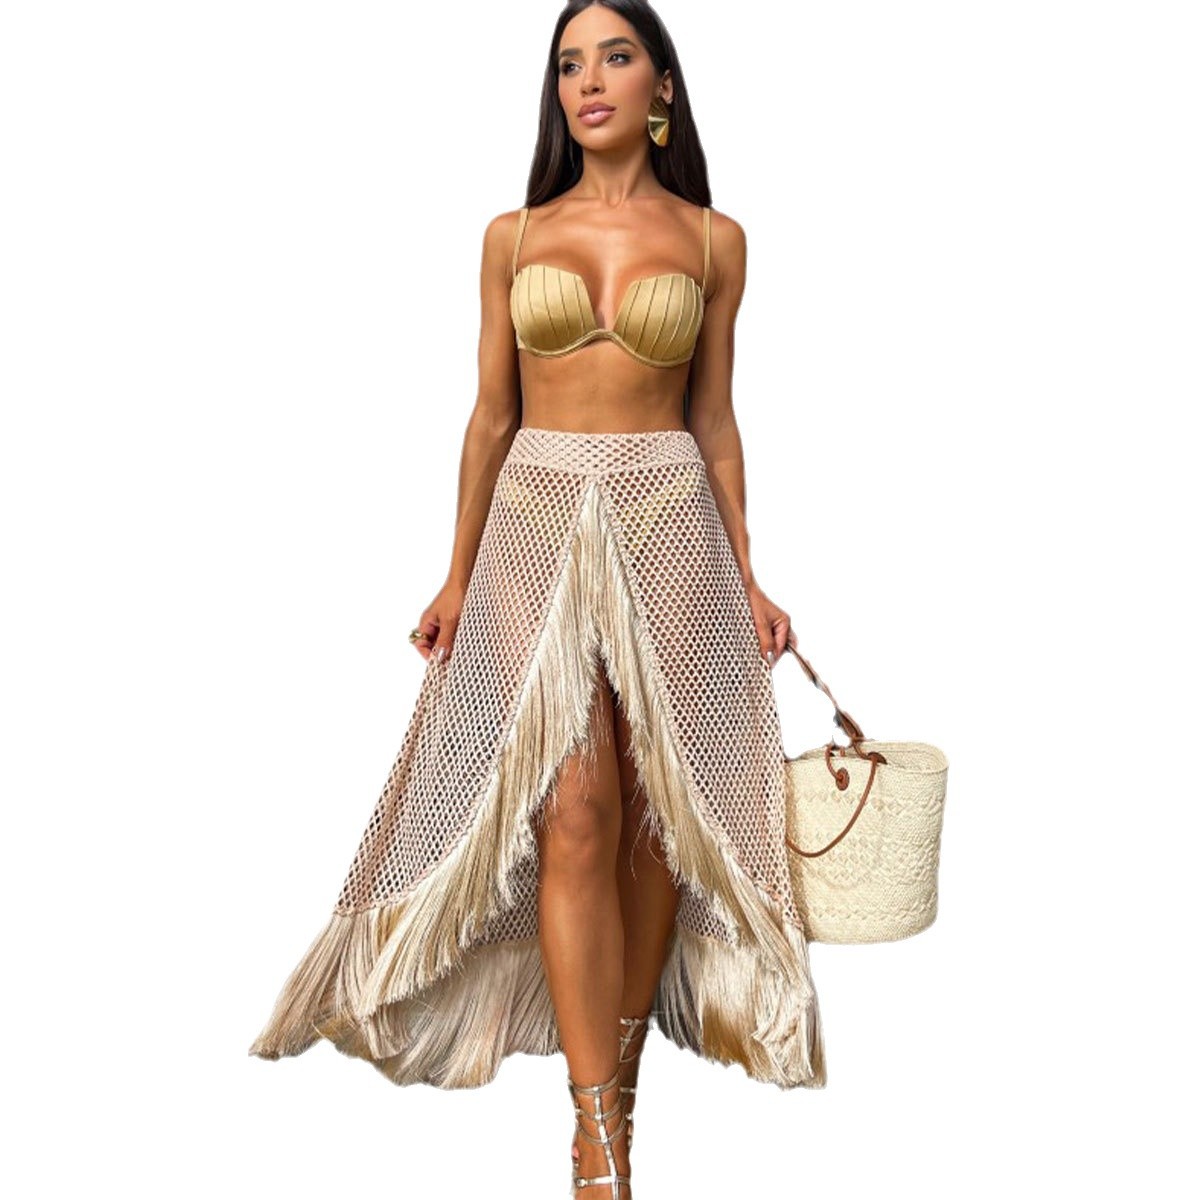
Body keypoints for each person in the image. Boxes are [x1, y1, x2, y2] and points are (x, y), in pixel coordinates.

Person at [248, 2, 826, 1195]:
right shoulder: (512, 235)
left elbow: (715, 421)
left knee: (660, 817)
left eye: (615, 57)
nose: (589, 81)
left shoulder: (715, 240)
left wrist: (749, 571)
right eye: (569, 64)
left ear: (661, 87)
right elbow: (491, 416)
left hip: (669, 519)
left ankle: (621, 1092)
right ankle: (593, 1136)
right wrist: (458, 573)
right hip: (535, 523)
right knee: (574, 809)